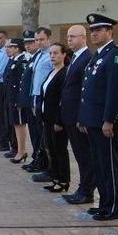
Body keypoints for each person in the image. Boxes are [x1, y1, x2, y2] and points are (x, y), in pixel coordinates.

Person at [78, 13, 118, 221]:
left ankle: (113, 207)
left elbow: (115, 92)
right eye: (92, 30)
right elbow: (88, 91)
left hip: (105, 123)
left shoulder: (116, 56)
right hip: (93, 121)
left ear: (110, 31)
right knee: (99, 165)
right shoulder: (98, 56)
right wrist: (84, 118)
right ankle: (104, 204)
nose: (94, 34)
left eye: (99, 30)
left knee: (109, 165)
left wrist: (109, 120)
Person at [60, 25, 95, 205]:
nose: (69, 40)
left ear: (83, 38)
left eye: (73, 37)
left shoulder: (87, 58)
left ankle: (86, 191)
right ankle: (82, 188)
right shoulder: (75, 58)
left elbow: (85, 92)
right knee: (80, 155)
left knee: (85, 156)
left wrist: (82, 117)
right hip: (70, 115)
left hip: (78, 117)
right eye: (68, 37)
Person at [40, 43, 70, 193]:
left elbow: (62, 100)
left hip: (57, 119)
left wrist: (59, 120)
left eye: (56, 53)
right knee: (51, 148)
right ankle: (55, 178)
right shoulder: (52, 72)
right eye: (51, 53)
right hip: (47, 117)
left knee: (60, 149)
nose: (52, 56)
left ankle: (64, 180)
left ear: (64, 55)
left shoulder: (64, 74)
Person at [28, 27, 53, 179]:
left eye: (41, 39)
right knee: (37, 132)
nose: (38, 42)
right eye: (36, 40)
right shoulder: (38, 55)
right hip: (35, 97)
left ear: (49, 39)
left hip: (45, 98)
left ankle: (47, 165)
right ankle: (39, 160)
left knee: (45, 134)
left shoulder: (51, 55)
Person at [3, 38, 30, 165]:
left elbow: (22, 83)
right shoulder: (13, 60)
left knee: (19, 124)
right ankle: (19, 150)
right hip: (11, 97)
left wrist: (20, 100)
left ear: (17, 48)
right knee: (15, 124)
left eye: (10, 47)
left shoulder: (22, 61)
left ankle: (21, 151)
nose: (7, 49)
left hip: (17, 99)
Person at [16, 31, 38, 165]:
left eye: (31, 42)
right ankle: (36, 158)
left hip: (34, 102)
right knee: (33, 132)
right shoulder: (31, 58)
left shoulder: (38, 58)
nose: (28, 46)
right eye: (26, 43)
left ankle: (38, 159)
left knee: (38, 133)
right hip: (28, 102)